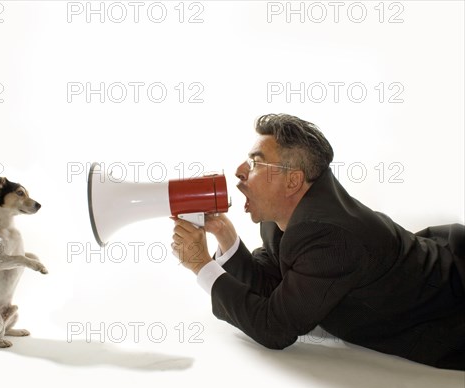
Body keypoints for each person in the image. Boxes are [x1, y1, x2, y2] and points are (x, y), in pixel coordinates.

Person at [171, 113, 465, 370]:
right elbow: (272, 288)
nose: (239, 170)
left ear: (292, 181)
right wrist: (226, 236)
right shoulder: (281, 220)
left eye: (255, 163)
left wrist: (201, 266)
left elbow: (274, 328)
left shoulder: (331, 240)